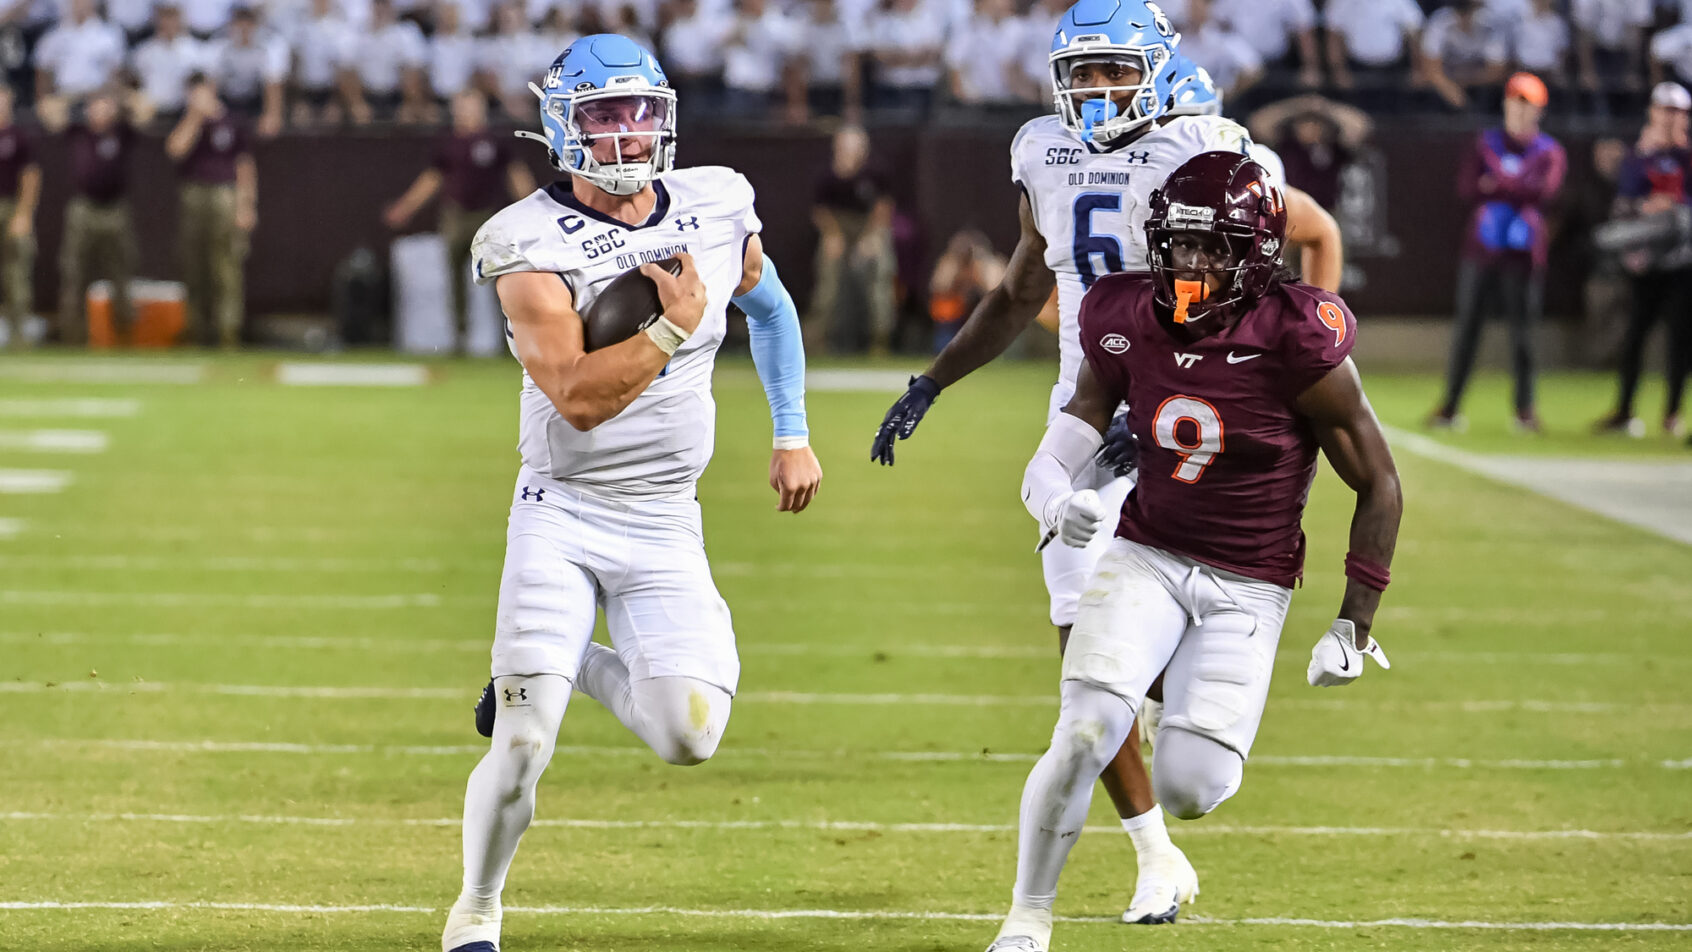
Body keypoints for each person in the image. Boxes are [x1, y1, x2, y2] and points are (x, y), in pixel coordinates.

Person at [873, 0, 1258, 926]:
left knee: (1169, 663)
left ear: (1159, 68)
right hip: (1080, 420)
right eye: (1080, 73)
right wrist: (933, 381)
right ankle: (1154, 857)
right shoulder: (1042, 149)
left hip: (1184, 419)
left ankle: (1189, 703)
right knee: (1083, 656)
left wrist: (1172, 392)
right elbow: (1019, 289)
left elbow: (1252, 292)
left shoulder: (1204, 147)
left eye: (1114, 69)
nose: (1094, 90)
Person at [442, 34, 822, 952]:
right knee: (526, 744)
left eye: (641, 113)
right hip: (563, 515)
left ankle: (563, 667)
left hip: (664, 520)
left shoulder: (718, 202)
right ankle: (477, 911)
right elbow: (575, 397)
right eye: (604, 117)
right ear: (562, 129)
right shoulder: (521, 238)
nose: (627, 135)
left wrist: (791, 429)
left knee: (690, 735)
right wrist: (670, 331)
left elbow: (768, 308)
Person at [983, 149, 1400, 952]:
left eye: (1214, 247)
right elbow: (1065, 440)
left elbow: (1379, 482)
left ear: (1258, 253)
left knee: (1192, 787)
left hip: (1250, 583)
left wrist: (1355, 621)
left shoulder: (1297, 338)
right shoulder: (1122, 313)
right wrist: (1056, 499)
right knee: (1084, 728)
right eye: (1179, 243)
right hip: (1147, 553)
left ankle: (1164, 685)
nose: (1192, 263)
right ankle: (1027, 918)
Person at [1430, 71, 1564, 432]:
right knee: (1467, 331)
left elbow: (1545, 192)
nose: (1520, 111)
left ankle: (1525, 411)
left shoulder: (1549, 151)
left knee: (1524, 336)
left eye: (1528, 104)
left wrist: (1499, 183)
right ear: (1506, 105)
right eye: (1515, 102)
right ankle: (1449, 408)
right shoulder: (1484, 143)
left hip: (1523, 253)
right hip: (1482, 249)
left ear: (1539, 110)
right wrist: (1519, 184)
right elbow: (1468, 187)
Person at [384, 89, 536, 354]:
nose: (466, 113)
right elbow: (431, 179)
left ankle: (506, 340)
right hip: (455, 215)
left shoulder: (495, 142)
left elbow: (517, 176)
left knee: (498, 280)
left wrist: (534, 209)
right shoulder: (448, 143)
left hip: (488, 218)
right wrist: (405, 208)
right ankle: (459, 338)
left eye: (471, 107)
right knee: (455, 280)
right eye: (462, 107)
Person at [1594, 82, 1692, 439]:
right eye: (1664, 110)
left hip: (1682, 261)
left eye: (1677, 111)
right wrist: (1646, 206)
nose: (1670, 118)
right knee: (1635, 335)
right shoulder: (1639, 157)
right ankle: (1624, 410)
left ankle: (1672, 413)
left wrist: (1673, 207)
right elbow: (1624, 205)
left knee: (1680, 340)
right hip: (1647, 260)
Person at [166, 73, 257, 348]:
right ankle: (197, 330)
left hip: (225, 195)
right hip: (194, 195)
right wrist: (195, 117)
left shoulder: (231, 120)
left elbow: (245, 166)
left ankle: (228, 331)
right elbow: (175, 149)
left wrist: (246, 205)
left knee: (227, 265)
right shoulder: (188, 120)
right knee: (194, 265)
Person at [56, 88, 138, 346]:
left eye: (105, 106)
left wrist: (121, 99)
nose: (100, 111)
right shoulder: (78, 132)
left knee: (121, 272)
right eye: (96, 106)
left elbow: (145, 111)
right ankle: (73, 337)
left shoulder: (121, 133)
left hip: (115, 209)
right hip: (84, 208)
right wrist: (77, 97)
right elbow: (49, 110)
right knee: (74, 272)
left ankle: (124, 338)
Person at [809, 124, 894, 354]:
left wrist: (871, 238)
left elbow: (883, 209)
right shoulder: (826, 175)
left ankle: (880, 340)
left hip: (870, 226)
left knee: (879, 271)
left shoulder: (876, 172)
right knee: (828, 279)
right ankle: (819, 341)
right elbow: (821, 211)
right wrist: (833, 236)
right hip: (837, 227)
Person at [0, 83, 38, 348]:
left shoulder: (19, 137)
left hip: (10, 206)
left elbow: (31, 176)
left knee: (15, 272)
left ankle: (18, 336)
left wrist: (24, 213)